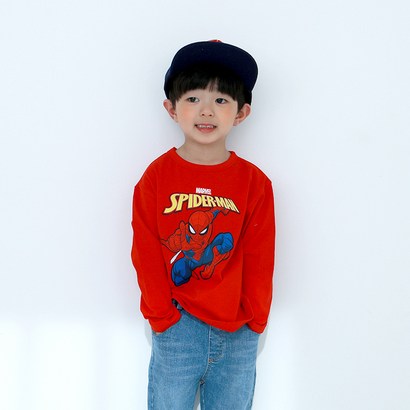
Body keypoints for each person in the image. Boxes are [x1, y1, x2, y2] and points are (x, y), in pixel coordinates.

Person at [131, 39, 275, 410]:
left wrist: (256, 320)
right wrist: (162, 317)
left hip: (237, 330)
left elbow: (260, 256)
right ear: (171, 108)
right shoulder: (156, 177)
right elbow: (145, 251)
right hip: (177, 327)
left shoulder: (254, 183)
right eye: (193, 98)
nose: (206, 110)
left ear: (241, 113)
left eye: (221, 100)